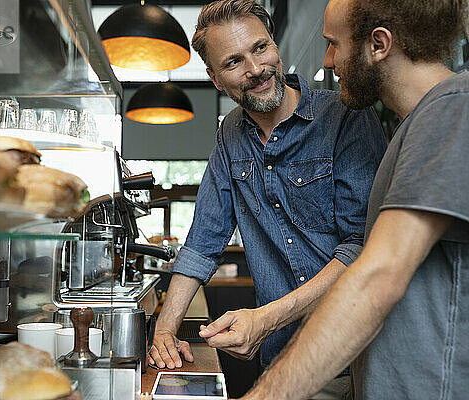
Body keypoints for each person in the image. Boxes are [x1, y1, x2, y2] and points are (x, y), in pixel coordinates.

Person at [147, 0, 386, 396]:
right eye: (234, 62)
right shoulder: (229, 136)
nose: (256, 69)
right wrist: (166, 330)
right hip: (283, 357)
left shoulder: (345, 116)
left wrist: (265, 319)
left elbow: (362, 248)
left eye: (261, 48)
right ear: (215, 79)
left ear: (274, 44)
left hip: (353, 357)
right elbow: (203, 243)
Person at [238, 0, 469, 399]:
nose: (328, 61)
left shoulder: (451, 109)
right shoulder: (415, 125)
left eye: (333, 44)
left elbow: (377, 277)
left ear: (379, 45)